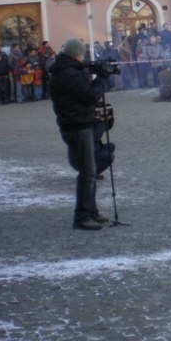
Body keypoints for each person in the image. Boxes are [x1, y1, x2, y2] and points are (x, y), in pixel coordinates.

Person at [48, 38, 111, 230]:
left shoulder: (65, 70)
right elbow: (89, 95)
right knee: (88, 172)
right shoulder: (69, 74)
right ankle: (83, 216)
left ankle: (91, 211)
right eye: (82, 53)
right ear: (76, 54)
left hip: (75, 124)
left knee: (89, 171)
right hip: (78, 126)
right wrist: (102, 79)